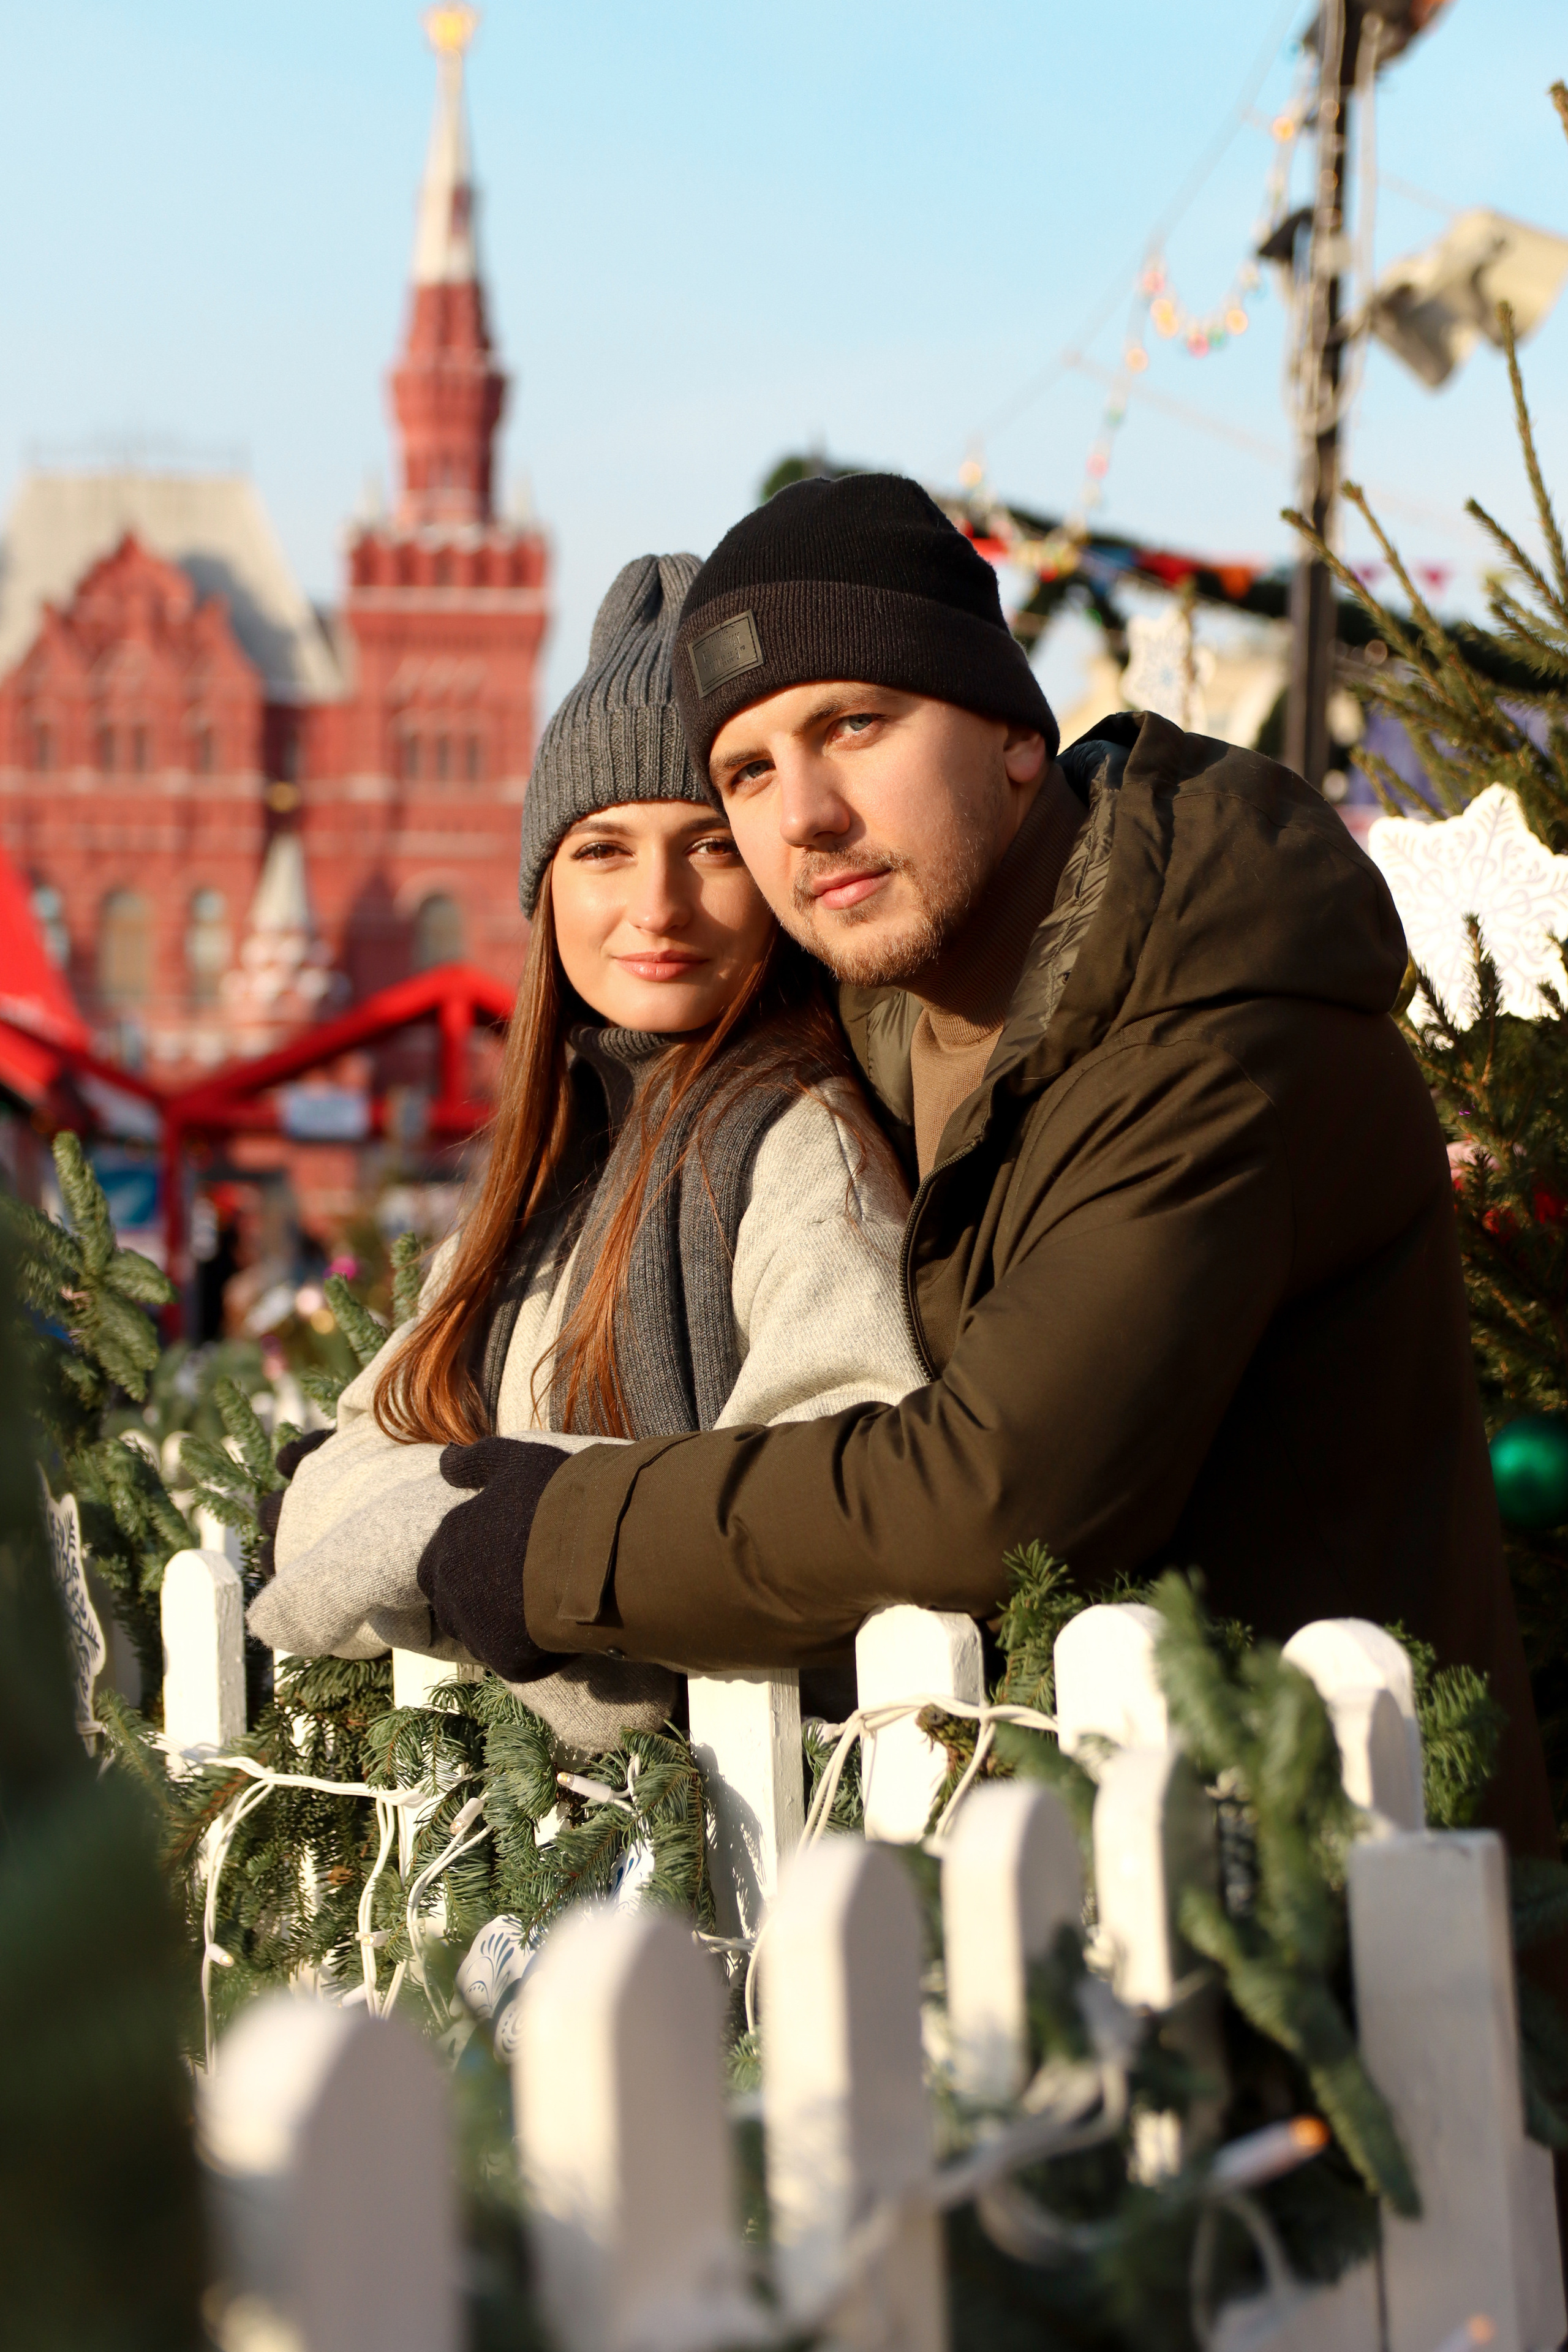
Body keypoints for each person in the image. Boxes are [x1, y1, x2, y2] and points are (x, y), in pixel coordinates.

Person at [406, 473, 1556, 1857]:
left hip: (1338, 1916)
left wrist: (555, 1537)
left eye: (854, 725)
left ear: (1016, 733)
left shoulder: (1210, 1032)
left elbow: (991, 1497)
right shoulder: (891, 1015)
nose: (805, 815)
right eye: (747, 774)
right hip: (1106, 1887)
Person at [251, 551, 922, 1750]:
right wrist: (467, 1524)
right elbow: (319, 1495)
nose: (654, 905)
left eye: (711, 846)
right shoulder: (548, 1166)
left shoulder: (788, 1142)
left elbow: (850, 1485)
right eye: (602, 850)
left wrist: (512, 1525)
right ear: (545, 886)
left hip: (730, 1848)